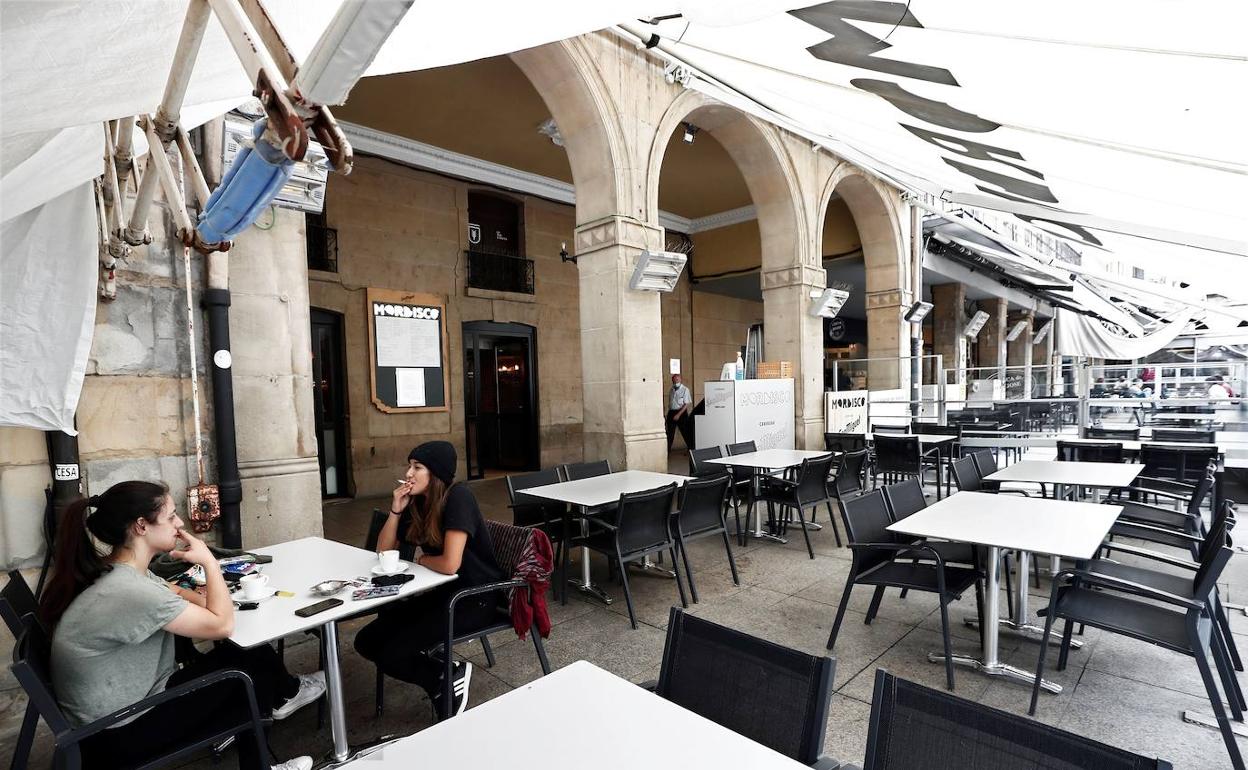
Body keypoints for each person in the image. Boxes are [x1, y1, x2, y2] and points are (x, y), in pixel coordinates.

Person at [38, 481, 321, 770]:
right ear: (141, 526)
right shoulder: (130, 590)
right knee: (247, 674)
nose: (180, 523)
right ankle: (279, 712)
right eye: (171, 516)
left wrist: (206, 597)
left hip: (120, 711)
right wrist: (210, 563)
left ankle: (287, 695)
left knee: (251, 656)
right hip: (118, 732)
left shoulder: (120, 571)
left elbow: (181, 594)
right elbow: (222, 625)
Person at [354, 441, 503, 720]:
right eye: (409, 466)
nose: (409, 473)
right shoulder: (420, 503)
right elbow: (384, 552)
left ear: (435, 474)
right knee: (367, 640)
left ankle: (444, 676)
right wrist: (396, 509)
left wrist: (421, 561)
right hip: (441, 594)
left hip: (474, 598)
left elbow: (449, 564)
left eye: (417, 467)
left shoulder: (458, 496)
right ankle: (441, 670)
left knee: (391, 653)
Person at [665, 373, 694, 450]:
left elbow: (686, 404)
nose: (675, 382)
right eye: (674, 380)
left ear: (680, 380)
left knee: (685, 432)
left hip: (681, 413)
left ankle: (691, 449)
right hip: (671, 412)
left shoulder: (685, 389)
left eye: (677, 380)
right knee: (670, 433)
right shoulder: (671, 390)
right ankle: (667, 451)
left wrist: (678, 414)